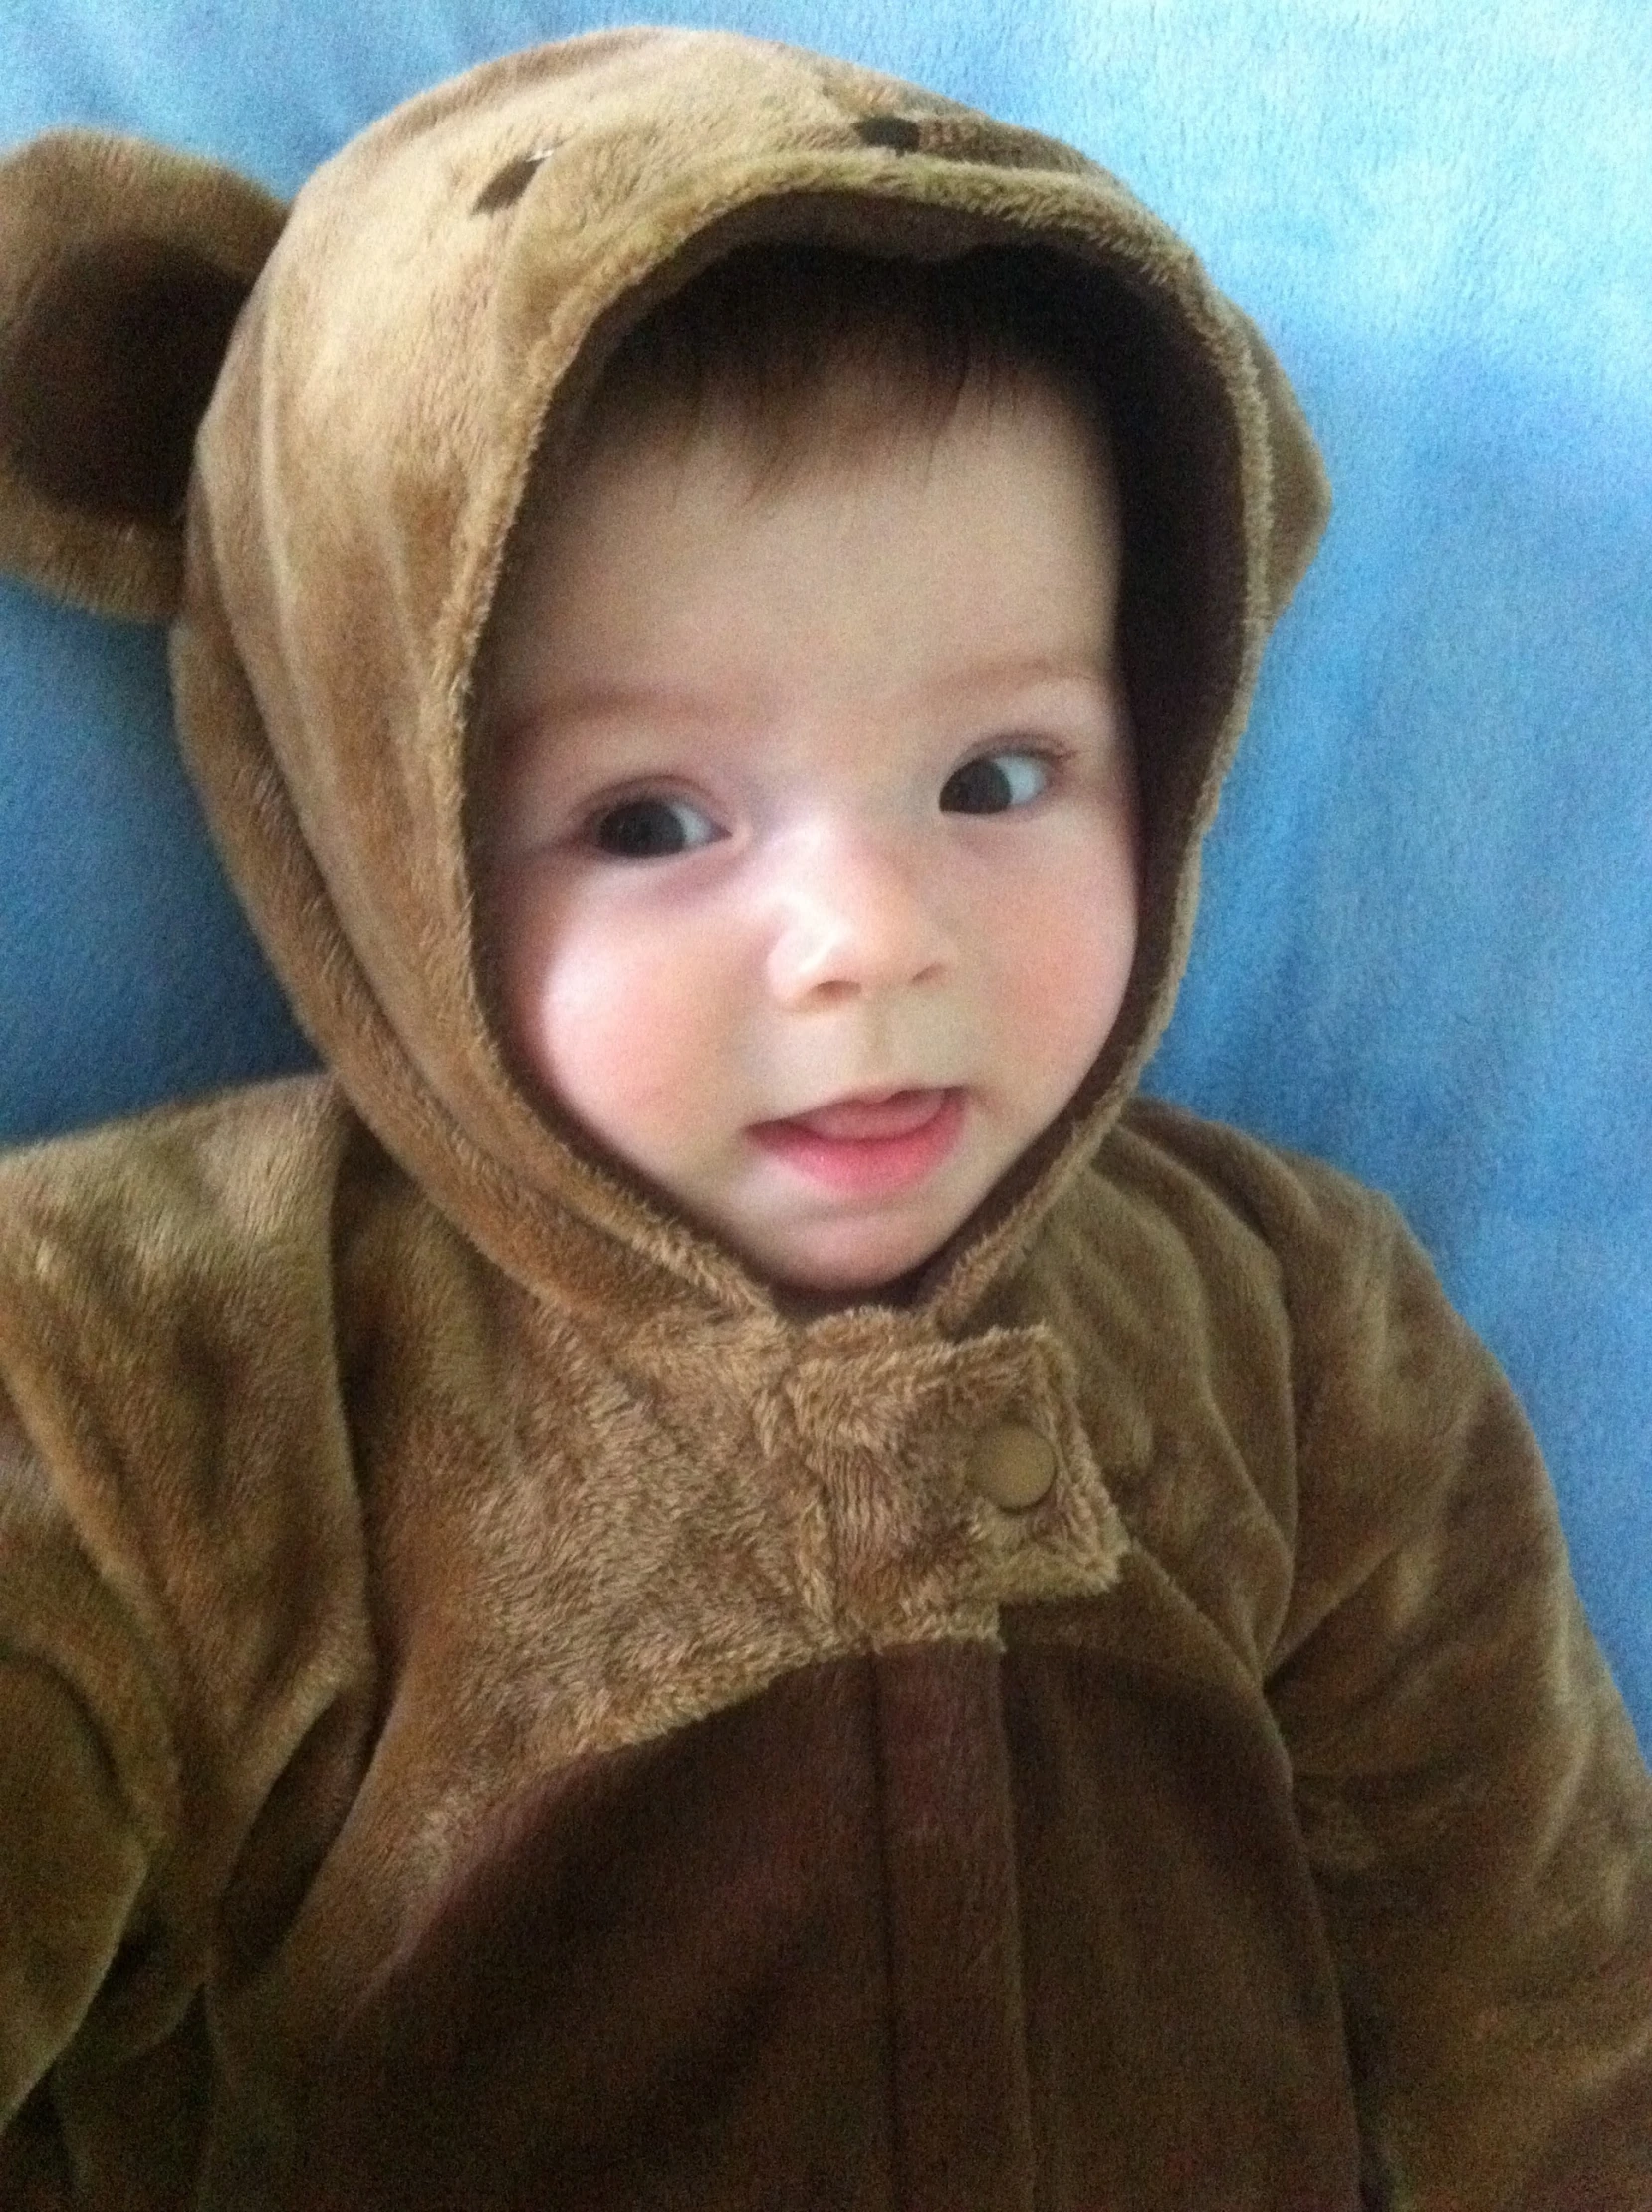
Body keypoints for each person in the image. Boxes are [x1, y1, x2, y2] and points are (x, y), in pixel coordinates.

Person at [0, 28, 1645, 2212]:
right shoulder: (156, 1372)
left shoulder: (1293, 1322)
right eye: (652, 818)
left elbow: (1535, 1985)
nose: (868, 940)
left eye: (997, 778)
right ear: (370, 824)